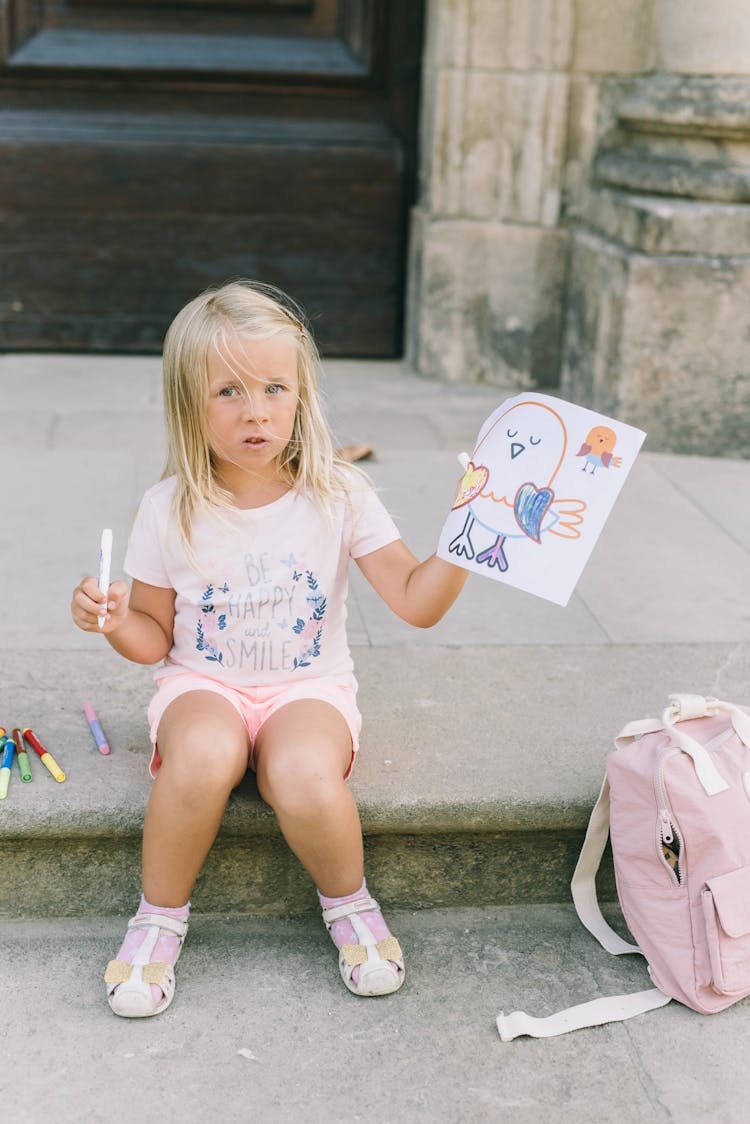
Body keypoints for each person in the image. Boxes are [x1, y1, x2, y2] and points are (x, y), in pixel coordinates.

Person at [70, 280, 468, 1018]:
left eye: (274, 387)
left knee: (304, 772)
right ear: (190, 403)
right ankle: (158, 918)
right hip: (201, 686)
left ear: (302, 393)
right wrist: (113, 618)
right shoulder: (168, 508)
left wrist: (471, 538)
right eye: (228, 391)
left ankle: (349, 904)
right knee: (202, 757)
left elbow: (416, 601)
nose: (255, 410)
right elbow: (153, 637)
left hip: (309, 689)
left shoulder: (340, 493)